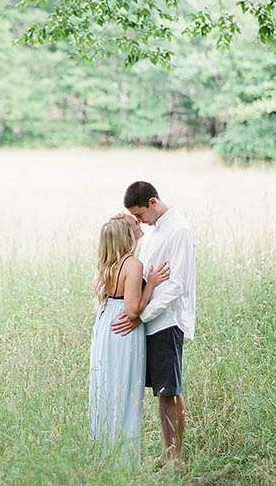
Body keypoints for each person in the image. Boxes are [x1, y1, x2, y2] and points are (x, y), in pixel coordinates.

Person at [112, 181, 196, 465]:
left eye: (139, 215)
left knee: (171, 390)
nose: (139, 223)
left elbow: (177, 285)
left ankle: (178, 455)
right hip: (151, 320)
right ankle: (167, 450)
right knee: (162, 392)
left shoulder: (179, 230)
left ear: (152, 202)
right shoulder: (155, 232)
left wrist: (141, 315)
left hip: (167, 321)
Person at [88, 214, 170, 463]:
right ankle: (124, 459)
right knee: (124, 391)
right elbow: (133, 310)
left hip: (105, 326)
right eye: (133, 223)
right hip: (123, 330)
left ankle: (104, 452)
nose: (138, 223)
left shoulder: (109, 265)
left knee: (106, 388)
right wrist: (152, 284)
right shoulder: (133, 265)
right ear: (126, 235)